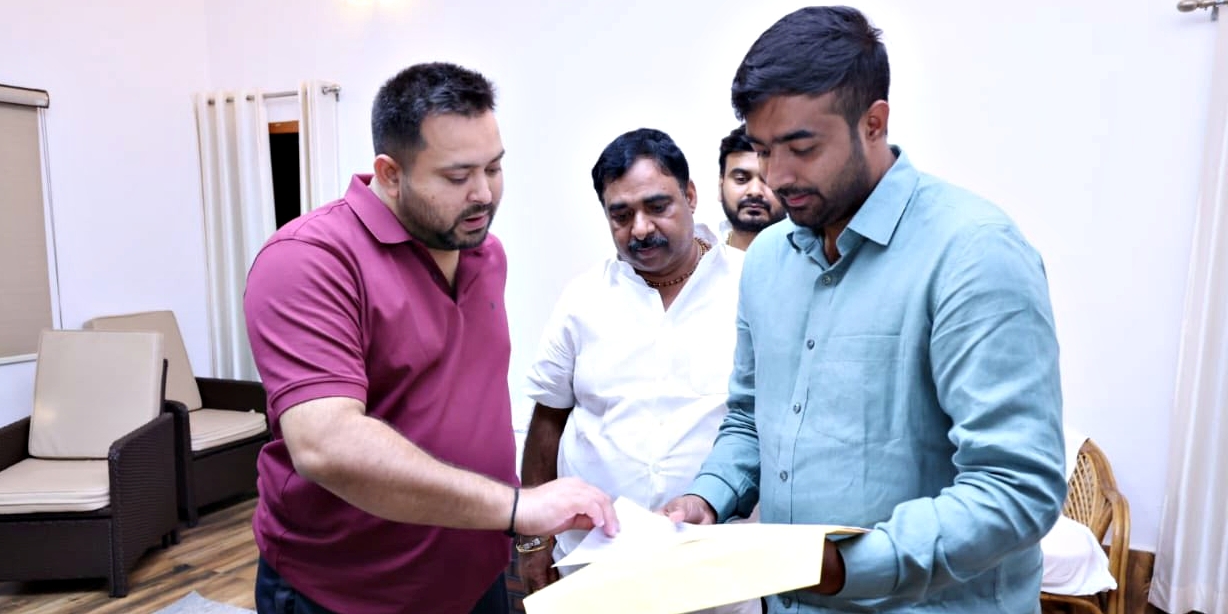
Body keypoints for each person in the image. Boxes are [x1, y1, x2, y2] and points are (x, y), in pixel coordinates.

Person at [662, 7, 1067, 613]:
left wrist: (842, 567)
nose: (776, 177)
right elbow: (750, 418)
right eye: (763, 150)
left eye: (802, 148)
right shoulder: (768, 258)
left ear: (874, 123)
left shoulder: (974, 253)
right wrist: (709, 498)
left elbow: (1016, 487)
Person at [243, 62, 618, 614]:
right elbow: (326, 445)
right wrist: (517, 508)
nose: (484, 194)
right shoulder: (309, 260)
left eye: (494, 167)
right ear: (390, 173)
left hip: (475, 574)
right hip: (350, 594)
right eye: (457, 176)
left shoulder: (485, 253)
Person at [517, 128, 758, 614]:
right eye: (621, 215)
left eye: (657, 206)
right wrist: (533, 541)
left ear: (691, 196)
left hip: (719, 571)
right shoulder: (583, 299)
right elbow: (548, 420)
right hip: (594, 568)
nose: (641, 228)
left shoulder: (750, 285)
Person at [717, 124, 785, 250]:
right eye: (741, 179)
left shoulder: (816, 255)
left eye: (767, 180)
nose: (755, 191)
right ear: (720, 187)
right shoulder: (706, 257)